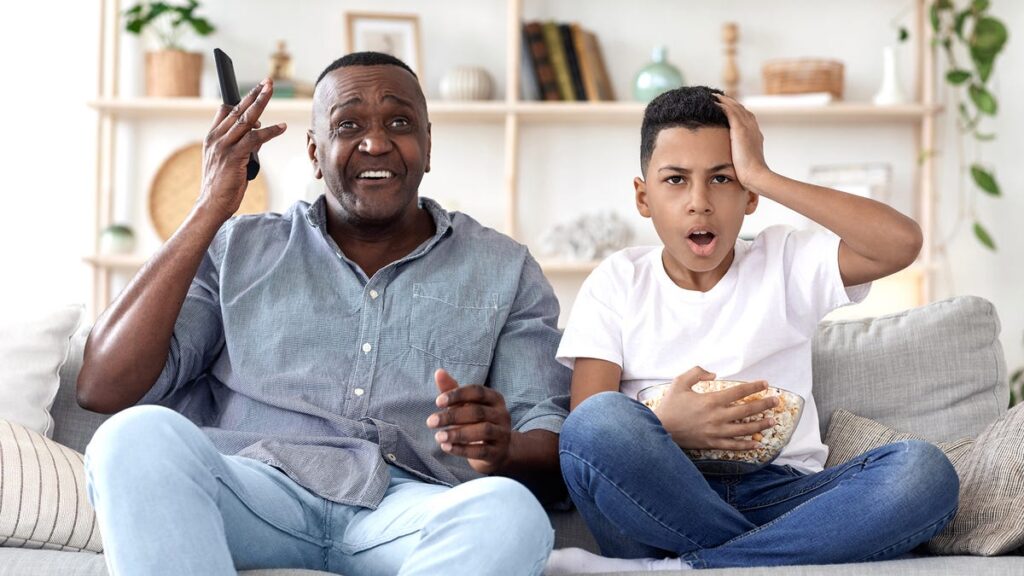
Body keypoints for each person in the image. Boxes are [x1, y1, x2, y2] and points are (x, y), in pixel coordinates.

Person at [77, 51, 570, 576]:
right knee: (129, 438)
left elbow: (547, 437)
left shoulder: (504, 267)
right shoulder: (238, 247)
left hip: (408, 509)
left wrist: (502, 450)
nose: (376, 142)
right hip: (255, 491)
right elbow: (102, 387)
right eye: (348, 124)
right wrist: (210, 206)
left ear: (428, 147)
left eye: (399, 123)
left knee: (509, 512)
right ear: (314, 152)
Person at [545, 86, 959, 573]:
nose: (699, 203)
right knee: (597, 425)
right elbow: (586, 426)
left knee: (924, 473)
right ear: (643, 196)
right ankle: (760, 557)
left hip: (781, 493)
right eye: (675, 180)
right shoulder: (618, 280)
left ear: (749, 196)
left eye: (722, 179)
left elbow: (900, 243)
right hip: (659, 495)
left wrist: (763, 172)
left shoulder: (783, 261)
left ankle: (685, 567)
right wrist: (666, 426)